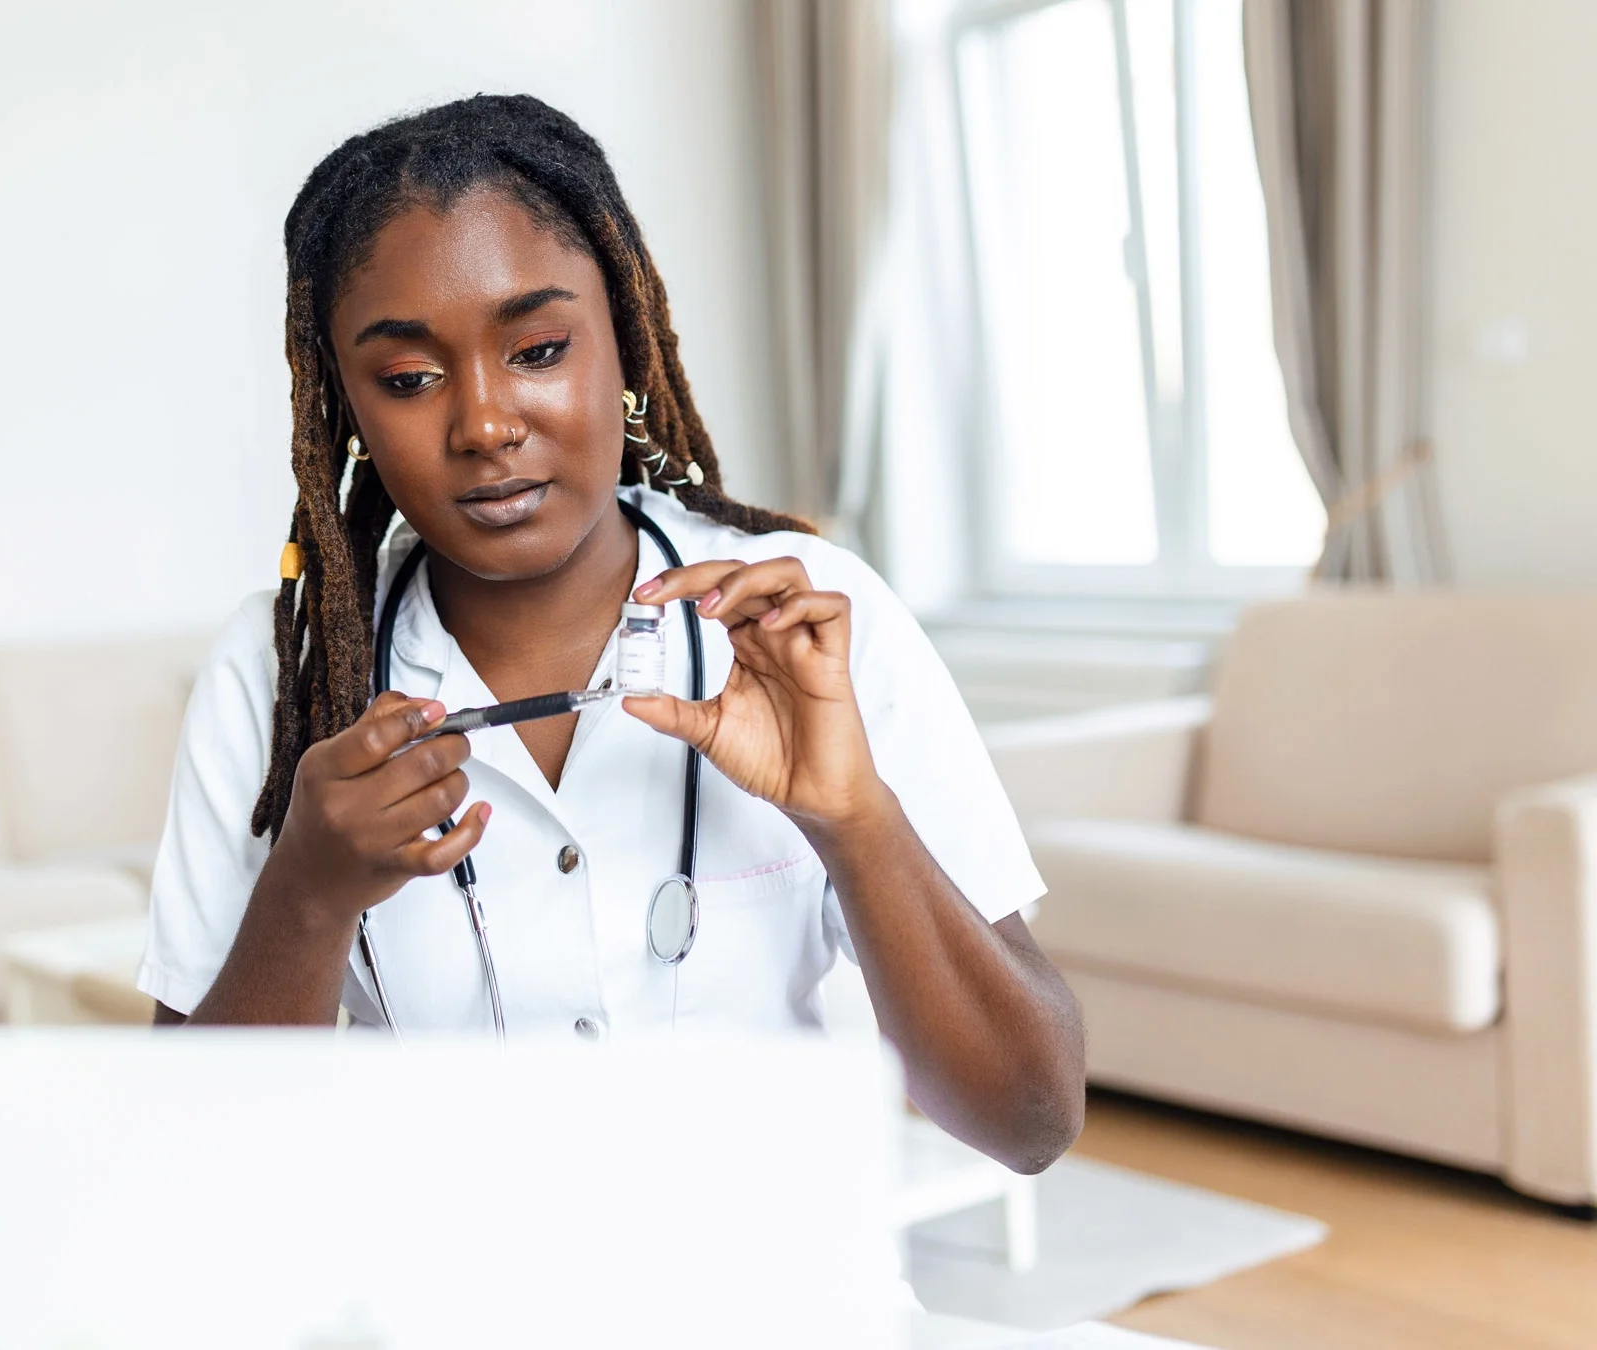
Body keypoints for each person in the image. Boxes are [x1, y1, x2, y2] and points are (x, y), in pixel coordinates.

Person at [139, 94, 1083, 1172]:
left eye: (538, 349)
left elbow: (1032, 1120)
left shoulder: (812, 617)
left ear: (626, 343)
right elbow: (194, 1165)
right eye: (408, 379)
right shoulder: (283, 677)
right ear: (346, 408)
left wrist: (855, 821)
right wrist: (306, 895)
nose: (485, 423)